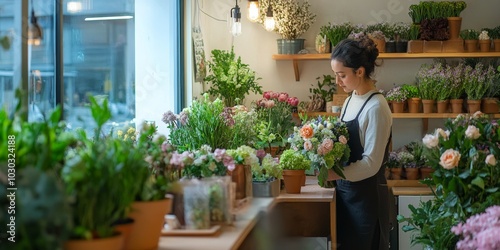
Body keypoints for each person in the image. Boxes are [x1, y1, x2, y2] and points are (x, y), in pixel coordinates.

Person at [328, 37, 393, 250]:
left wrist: (335, 174)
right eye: (336, 76)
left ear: (360, 71)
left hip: (367, 201)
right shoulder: (349, 100)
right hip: (345, 196)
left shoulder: (376, 107)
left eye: (342, 75)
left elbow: (371, 164)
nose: (338, 82)